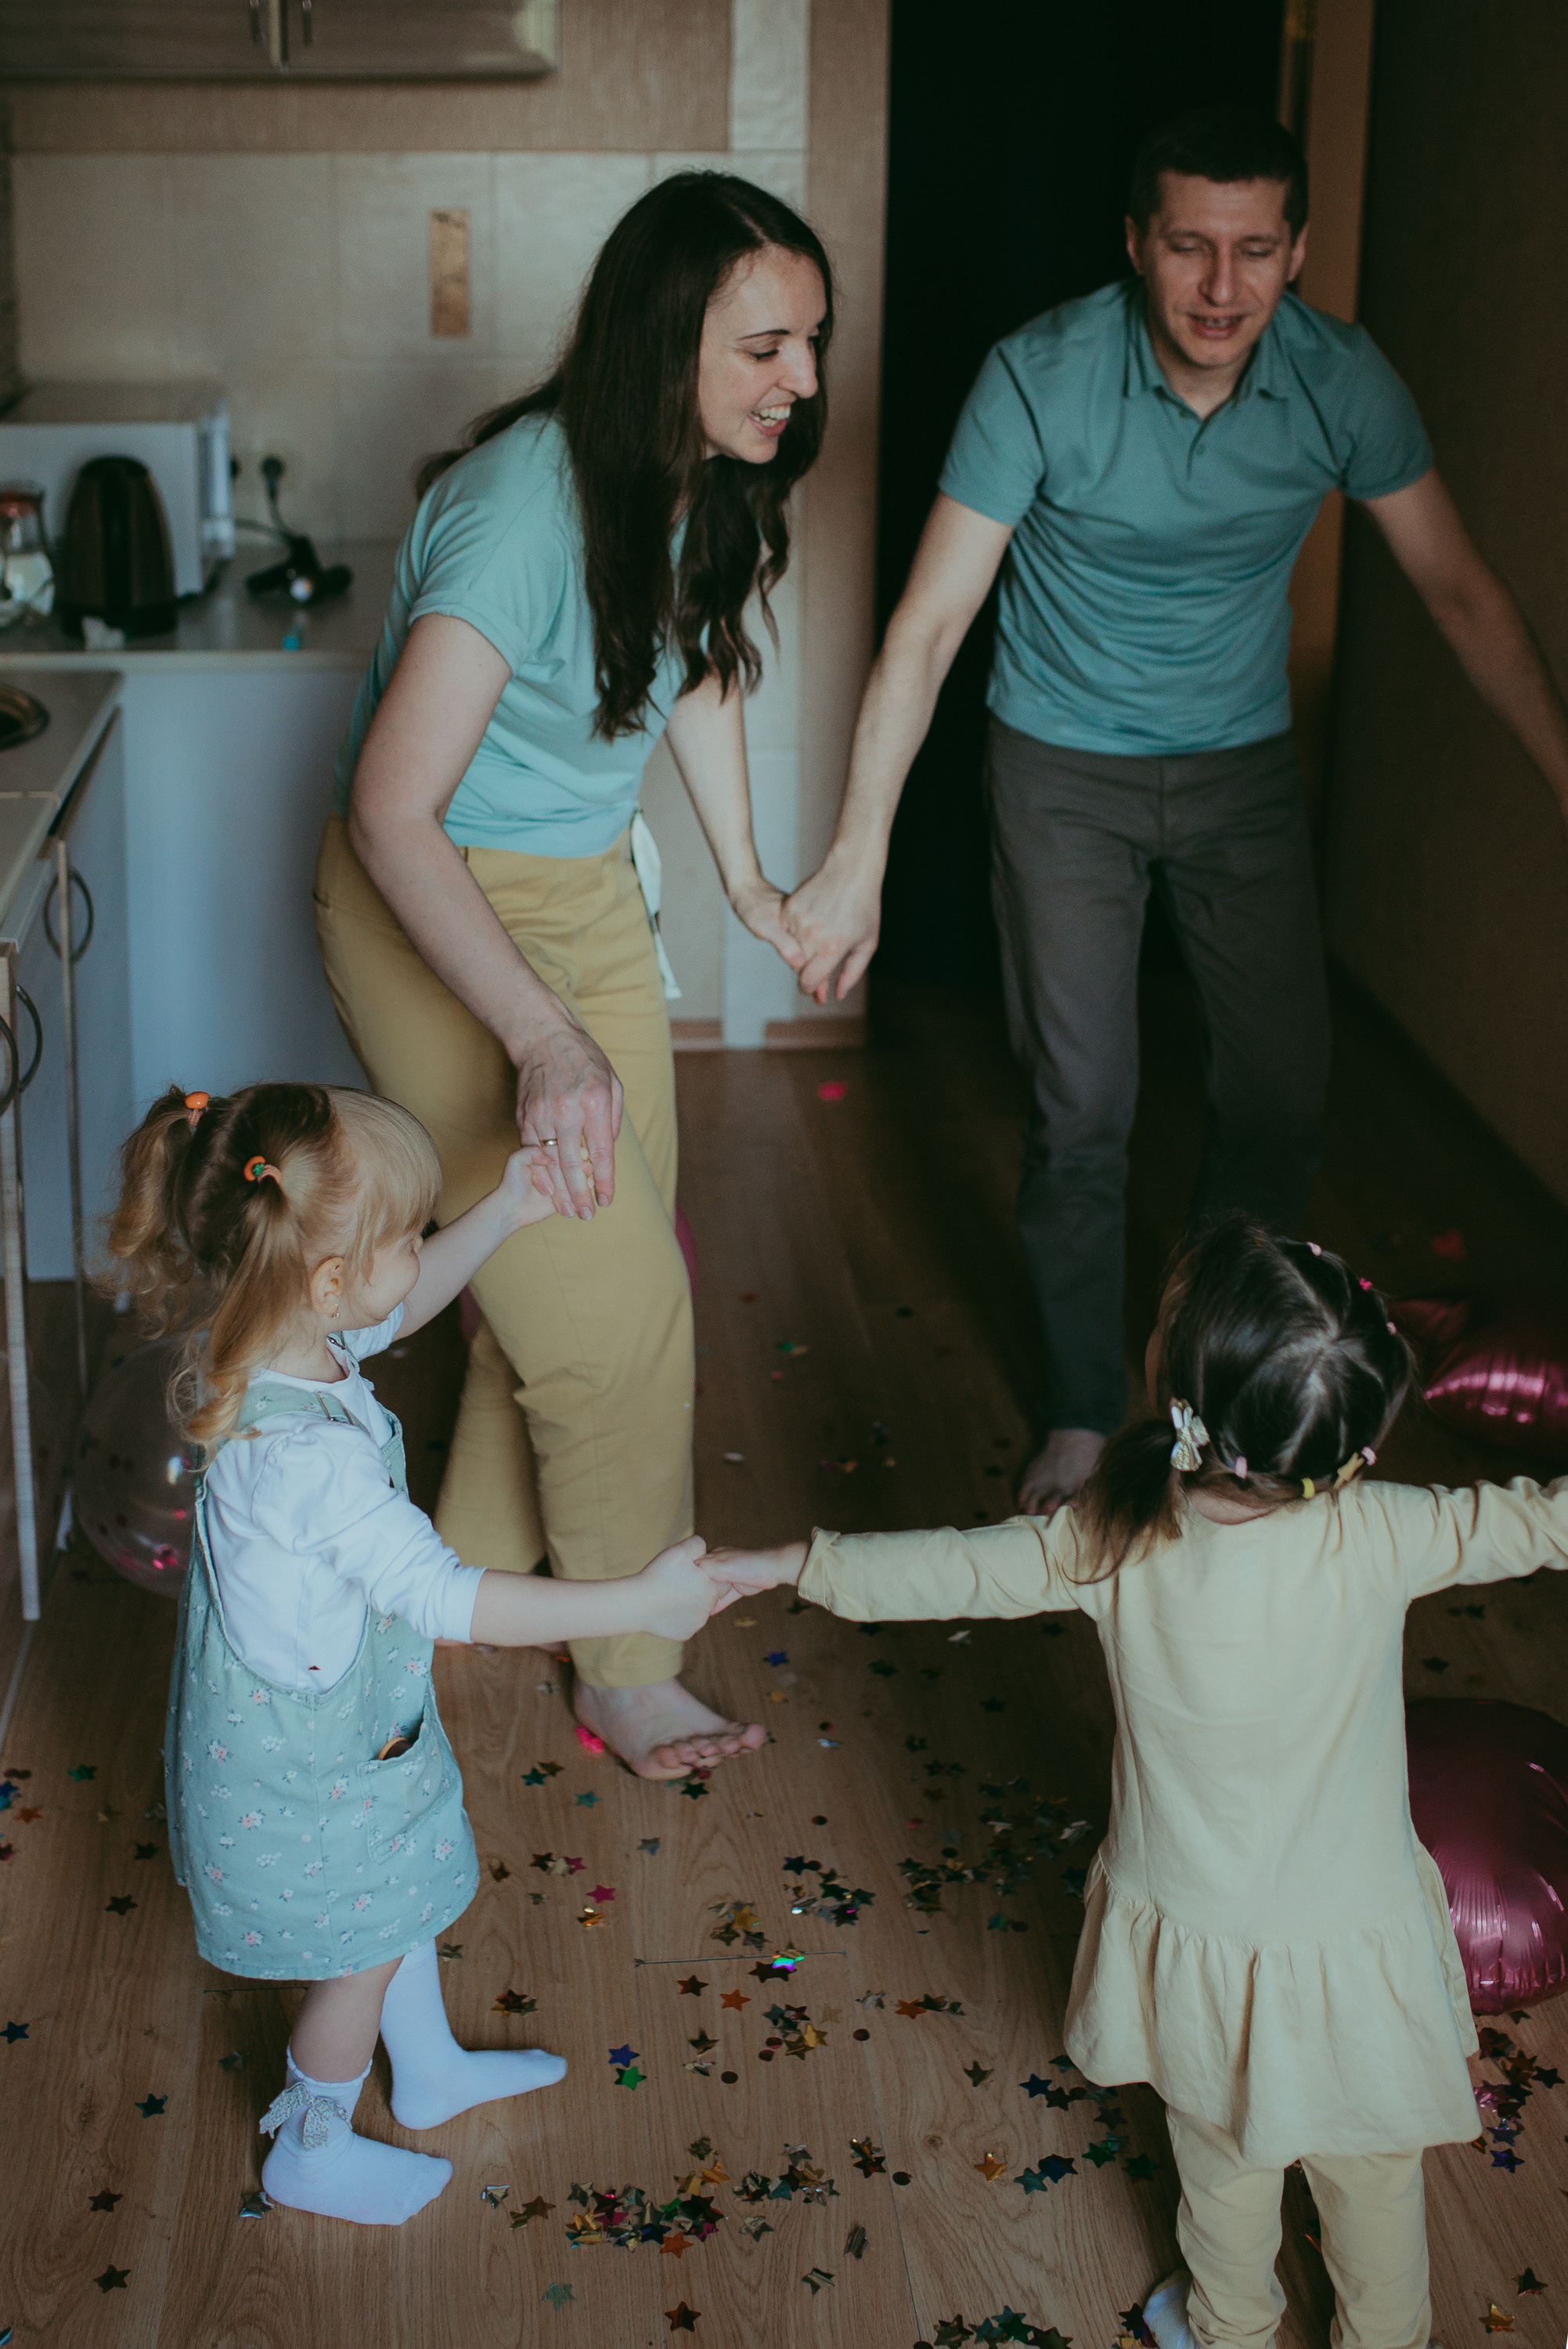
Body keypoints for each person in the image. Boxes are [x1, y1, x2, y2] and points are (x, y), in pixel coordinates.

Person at [780, 104, 1568, 1520]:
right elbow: (931, 621)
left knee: (1278, 1090)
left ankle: (1210, 1390)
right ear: (1135, 242)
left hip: (1241, 771)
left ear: (1299, 249)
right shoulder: (1041, 376)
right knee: (1084, 1104)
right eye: (1190, 247)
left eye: (1257, 250)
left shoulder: (1343, 381)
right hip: (1060, 767)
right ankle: (1088, 1410)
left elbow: (1459, 589)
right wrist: (856, 862)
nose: (1222, 288)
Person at [703, 1218, 1568, 2349]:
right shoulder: (1387, 1532)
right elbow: (1542, 1522)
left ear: (1178, 1399)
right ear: (1352, 1451)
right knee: (1375, 2181)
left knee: (1220, 2172)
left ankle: (1232, 2328)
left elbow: (948, 1565)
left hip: (1198, 1941)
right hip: (1357, 1942)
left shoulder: (1109, 1538)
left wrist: (783, 1564)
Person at [313, 171, 831, 1777]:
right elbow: (391, 812)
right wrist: (541, 1038)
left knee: (575, 1262)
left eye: (811, 342)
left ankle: (466, 1576)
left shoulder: (696, 478)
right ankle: (624, 1660)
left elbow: (690, 671)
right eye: (765, 345)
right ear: (667, 340)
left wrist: (748, 882)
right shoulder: (521, 504)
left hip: (586, 892)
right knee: (615, 1306)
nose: (802, 382)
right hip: (434, 897)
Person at [112, 1081, 731, 2226]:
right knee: (361, 1948)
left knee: (394, 1903)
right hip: (306, 1765)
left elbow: (398, 1305)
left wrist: (504, 1211)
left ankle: (431, 2069)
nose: (416, 1255)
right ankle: (313, 2139)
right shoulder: (311, 1466)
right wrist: (637, 1594)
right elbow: (450, 1599)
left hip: (336, 1729)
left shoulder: (281, 1330)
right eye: (402, 1236)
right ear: (329, 1279)